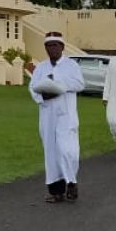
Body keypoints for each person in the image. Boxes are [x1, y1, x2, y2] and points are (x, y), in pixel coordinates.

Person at [28, 31, 85, 203]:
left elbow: (80, 84)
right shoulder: (41, 67)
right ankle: (56, 191)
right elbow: (32, 87)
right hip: (47, 115)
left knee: (68, 150)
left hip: (66, 115)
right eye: (48, 45)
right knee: (51, 152)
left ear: (62, 47)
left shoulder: (71, 66)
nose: (51, 48)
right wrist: (43, 96)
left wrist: (58, 85)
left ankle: (71, 182)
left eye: (55, 45)